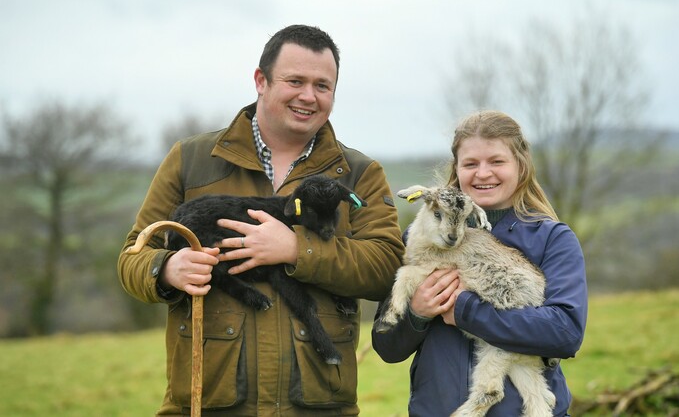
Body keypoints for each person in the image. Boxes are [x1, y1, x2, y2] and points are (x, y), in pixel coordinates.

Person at [118, 24, 405, 416]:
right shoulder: (191, 159)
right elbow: (133, 256)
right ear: (261, 80)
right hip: (209, 402)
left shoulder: (358, 173)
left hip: (318, 406)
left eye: (323, 86)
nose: (309, 96)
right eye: (295, 81)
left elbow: (386, 268)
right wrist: (167, 268)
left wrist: (296, 248)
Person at [372, 110, 587, 416]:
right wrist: (417, 313)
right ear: (456, 169)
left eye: (496, 162)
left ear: (521, 166)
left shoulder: (552, 238)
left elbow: (565, 334)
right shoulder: (421, 239)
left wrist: (466, 310)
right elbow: (387, 347)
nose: (483, 173)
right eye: (471, 164)